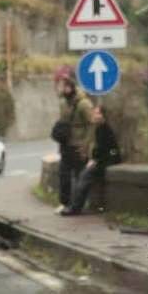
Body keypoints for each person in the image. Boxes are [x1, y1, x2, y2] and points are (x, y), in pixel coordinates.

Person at [60, 105, 121, 216]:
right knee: (81, 174)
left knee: (85, 176)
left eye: (97, 113)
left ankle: (75, 208)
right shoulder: (99, 128)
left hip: (107, 161)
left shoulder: (105, 129)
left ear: (103, 116)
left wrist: (95, 160)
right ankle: (74, 205)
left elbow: (108, 150)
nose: (95, 116)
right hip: (102, 160)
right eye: (94, 113)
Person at [51, 65, 95, 214]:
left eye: (66, 85)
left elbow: (91, 125)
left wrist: (86, 145)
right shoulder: (64, 103)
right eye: (62, 86)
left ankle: (78, 206)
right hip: (66, 145)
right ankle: (65, 203)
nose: (63, 88)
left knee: (79, 177)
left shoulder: (84, 104)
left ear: (72, 86)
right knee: (64, 176)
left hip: (78, 146)